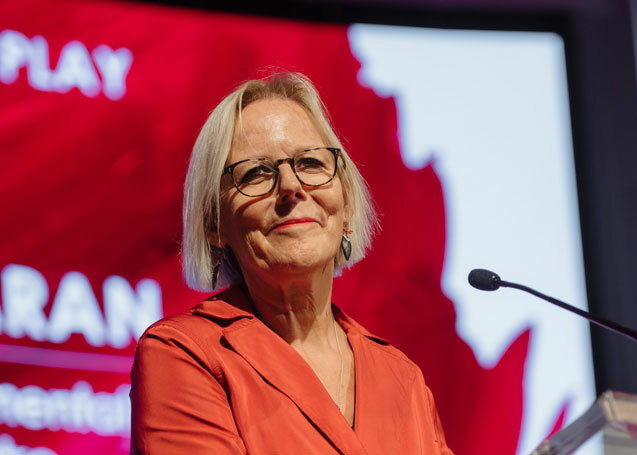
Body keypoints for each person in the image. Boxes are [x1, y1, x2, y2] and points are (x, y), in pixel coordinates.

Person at [130, 72, 453, 454]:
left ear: (345, 203)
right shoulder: (183, 354)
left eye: (311, 163)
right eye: (255, 172)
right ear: (215, 224)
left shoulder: (403, 377)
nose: (291, 187)